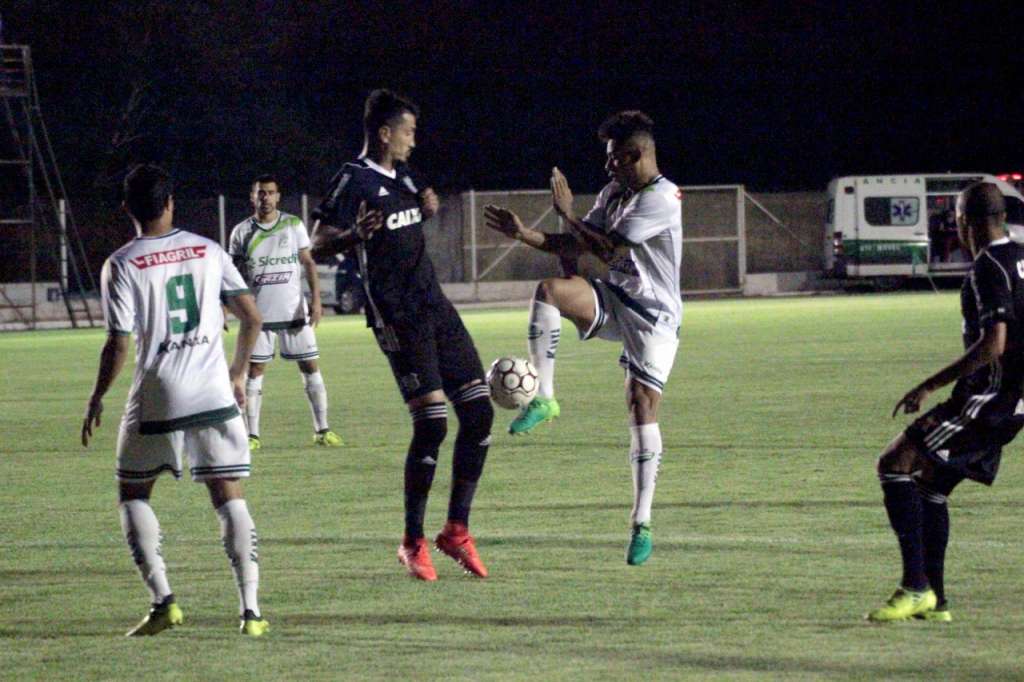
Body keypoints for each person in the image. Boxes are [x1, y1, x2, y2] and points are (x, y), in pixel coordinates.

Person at [484, 110, 683, 566]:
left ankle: (641, 521)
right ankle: (545, 399)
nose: (608, 166)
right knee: (550, 291)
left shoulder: (663, 198)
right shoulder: (615, 192)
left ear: (636, 154)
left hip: (654, 317)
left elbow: (610, 247)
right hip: (616, 297)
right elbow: (576, 242)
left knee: (641, 406)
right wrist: (525, 234)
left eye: (614, 158)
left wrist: (569, 214)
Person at [311, 89, 494, 581]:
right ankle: (412, 542)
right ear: (386, 132)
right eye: (409, 131)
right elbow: (316, 245)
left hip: (435, 305)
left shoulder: (407, 175)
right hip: (396, 314)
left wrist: (426, 207)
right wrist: (354, 235)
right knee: (433, 423)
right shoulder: (351, 179)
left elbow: (410, 214)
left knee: (478, 412)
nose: (415, 140)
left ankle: (456, 530)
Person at [81, 164, 269, 636]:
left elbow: (119, 342)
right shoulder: (209, 250)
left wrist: (97, 396)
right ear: (171, 203)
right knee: (229, 496)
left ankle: (164, 602)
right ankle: (251, 611)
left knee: (132, 492)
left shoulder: (121, 263)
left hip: (158, 393)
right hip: (213, 391)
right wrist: (239, 374)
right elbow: (251, 318)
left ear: (127, 209)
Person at [869, 182, 1024, 622]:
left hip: (987, 399)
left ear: (965, 222)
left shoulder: (987, 267)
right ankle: (935, 599)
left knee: (893, 463)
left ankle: (915, 587)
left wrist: (928, 385)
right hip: (1013, 404)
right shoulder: (1020, 257)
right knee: (931, 487)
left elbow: (993, 344)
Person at [228, 174, 342, 450]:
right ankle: (252, 436)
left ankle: (322, 430)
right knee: (255, 372)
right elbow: (229, 275)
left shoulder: (292, 225)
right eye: (260, 193)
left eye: (270, 192)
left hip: (294, 313)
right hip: (258, 317)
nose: (265, 197)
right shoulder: (241, 232)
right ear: (252, 197)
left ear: (278, 196)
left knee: (310, 367)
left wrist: (316, 302)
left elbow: (309, 264)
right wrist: (227, 307)